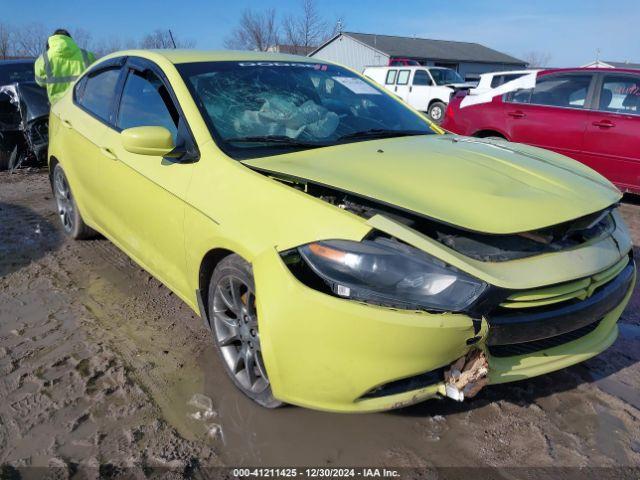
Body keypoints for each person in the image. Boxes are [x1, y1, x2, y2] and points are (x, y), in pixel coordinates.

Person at [34, 29, 96, 104]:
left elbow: (41, 82)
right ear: (69, 39)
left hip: (58, 105)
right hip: (83, 105)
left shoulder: (44, 58)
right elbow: (96, 78)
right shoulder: (87, 55)